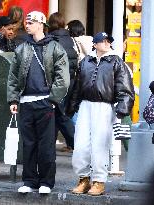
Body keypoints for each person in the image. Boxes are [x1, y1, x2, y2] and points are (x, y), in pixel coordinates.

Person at [7, 11, 70, 194]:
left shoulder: (55, 48)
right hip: (26, 101)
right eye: (27, 22)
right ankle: (29, 180)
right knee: (28, 143)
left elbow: (63, 78)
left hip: (45, 101)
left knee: (46, 145)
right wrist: (13, 99)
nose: (27, 25)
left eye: (31, 22)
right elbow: (13, 76)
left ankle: (46, 182)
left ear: (41, 24)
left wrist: (52, 99)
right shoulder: (22, 47)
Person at [67, 32, 135, 196]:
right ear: (94, 44)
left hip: (105, 107)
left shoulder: (116, 61)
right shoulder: (85, 62)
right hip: (85, 105)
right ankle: (83, 179)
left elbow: (125, 88)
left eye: (107, 41)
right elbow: (77, 86)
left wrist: (122, 109)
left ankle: (99, 181)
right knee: (81, 145)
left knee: (100, 145)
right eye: (102, 41)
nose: (106, 43)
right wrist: (72, 106)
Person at [48, 12, 77, 152]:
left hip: (56, 83)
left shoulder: (51, 39)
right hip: (69, 82)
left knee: (58, 114)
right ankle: (50, 147)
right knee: (57, 114)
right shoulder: (70, 39)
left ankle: (77, 144)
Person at [66, 19, 93, 124]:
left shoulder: (74, 42)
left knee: (75, 107)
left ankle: (76, 134)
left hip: (80, 80)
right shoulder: (93, 41)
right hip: (94, 82)